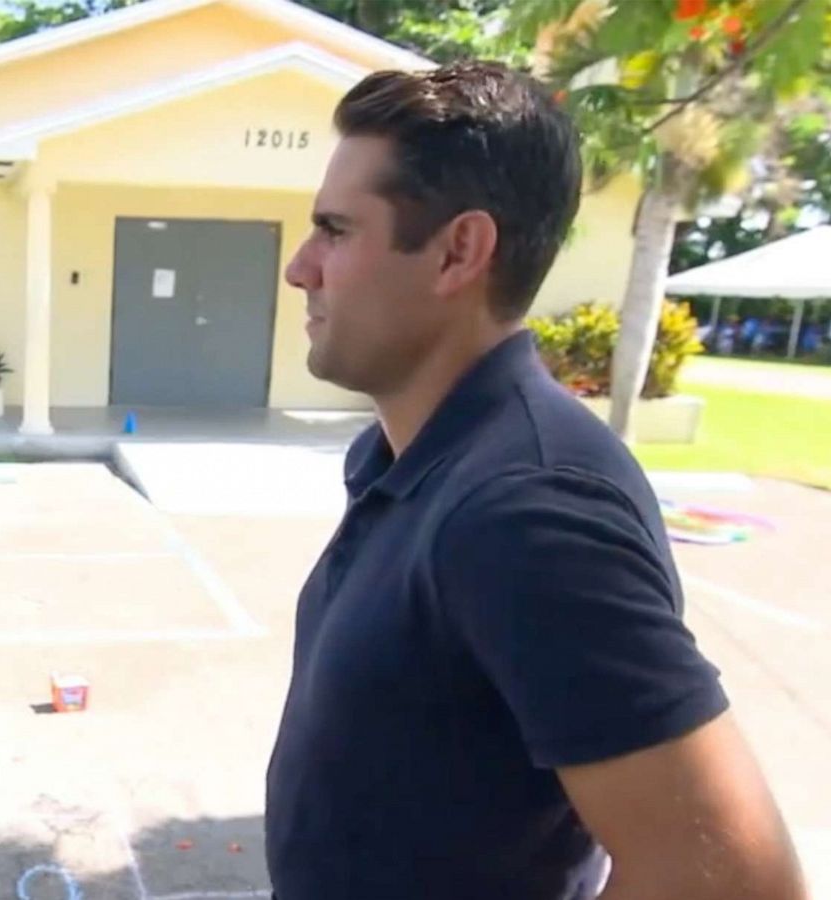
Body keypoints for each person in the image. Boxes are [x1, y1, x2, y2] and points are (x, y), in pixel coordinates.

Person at [265, 62, 805, 900]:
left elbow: (735, 879)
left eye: (335, 230)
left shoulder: (526, 506)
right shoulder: (415, 460)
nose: (301, 268)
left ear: (459, 251)